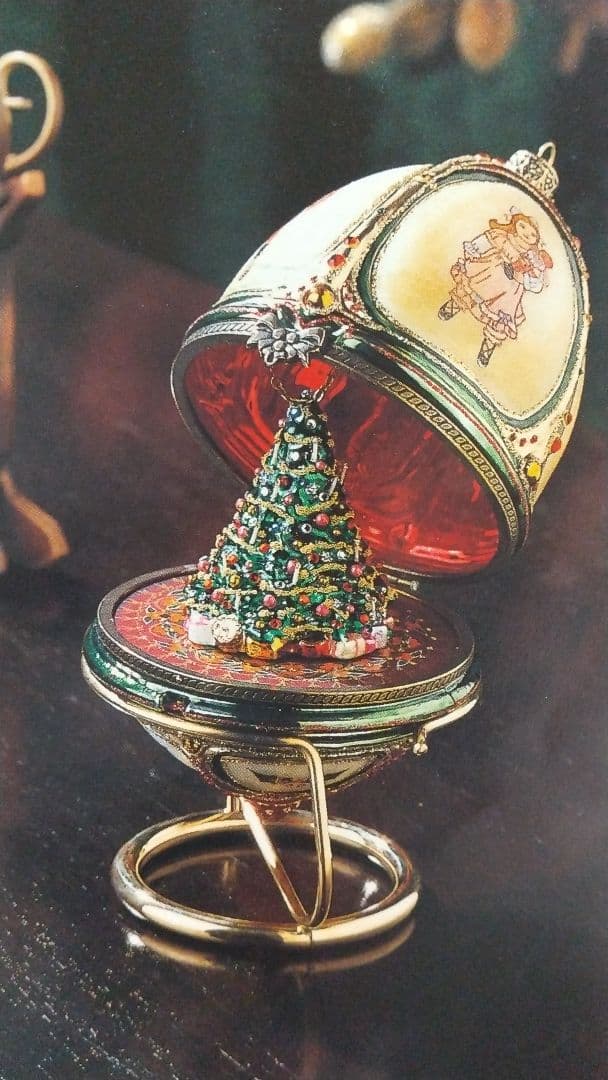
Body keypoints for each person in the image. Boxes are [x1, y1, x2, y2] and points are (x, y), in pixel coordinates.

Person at [438, 210, 553, 366]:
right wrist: (474, 251)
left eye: (533, 234)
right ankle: (452, 307)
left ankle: (487, 349)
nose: (527, 234)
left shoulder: (532, 259)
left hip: (508, 293)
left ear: (536, 240)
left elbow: (536, 285)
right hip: (488, 273)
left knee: (501, 320)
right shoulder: (503, 238)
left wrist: (526, 274)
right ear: (515, 225)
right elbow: (484, 241)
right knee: (470, 288)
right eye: (523, 226)